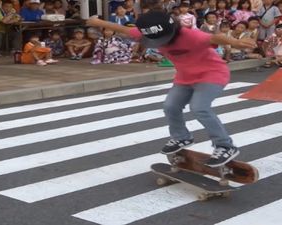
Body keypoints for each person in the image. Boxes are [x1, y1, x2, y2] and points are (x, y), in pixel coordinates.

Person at [87, 9, 257, 167]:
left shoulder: (191, 35)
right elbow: (121, 28)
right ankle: (181, 137)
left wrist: (236, 42)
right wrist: (96, 22)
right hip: (185, 77)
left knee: (200, 108)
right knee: (170, 106)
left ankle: (225, 146)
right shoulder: (150, 32)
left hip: (212, 74)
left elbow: (215, 38)